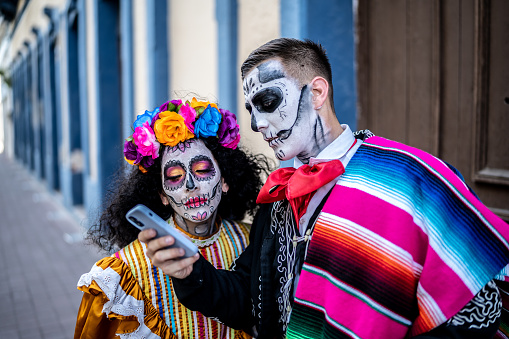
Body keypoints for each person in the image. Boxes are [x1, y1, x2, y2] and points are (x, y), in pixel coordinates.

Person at [139, 39, 509, 338]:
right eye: (251, 109)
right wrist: (190, 273)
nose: (256, 123)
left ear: (317, 92)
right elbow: (250, 300)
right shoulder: (279, 199)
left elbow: (479, 299)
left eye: (267, 102)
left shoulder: (408, 177)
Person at [74, 97, 271, 339]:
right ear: (162, 195)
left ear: (225, 181)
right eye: (175, 176)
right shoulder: (124, 273)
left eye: (201, 170)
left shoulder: (254, 240)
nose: (190, 184)